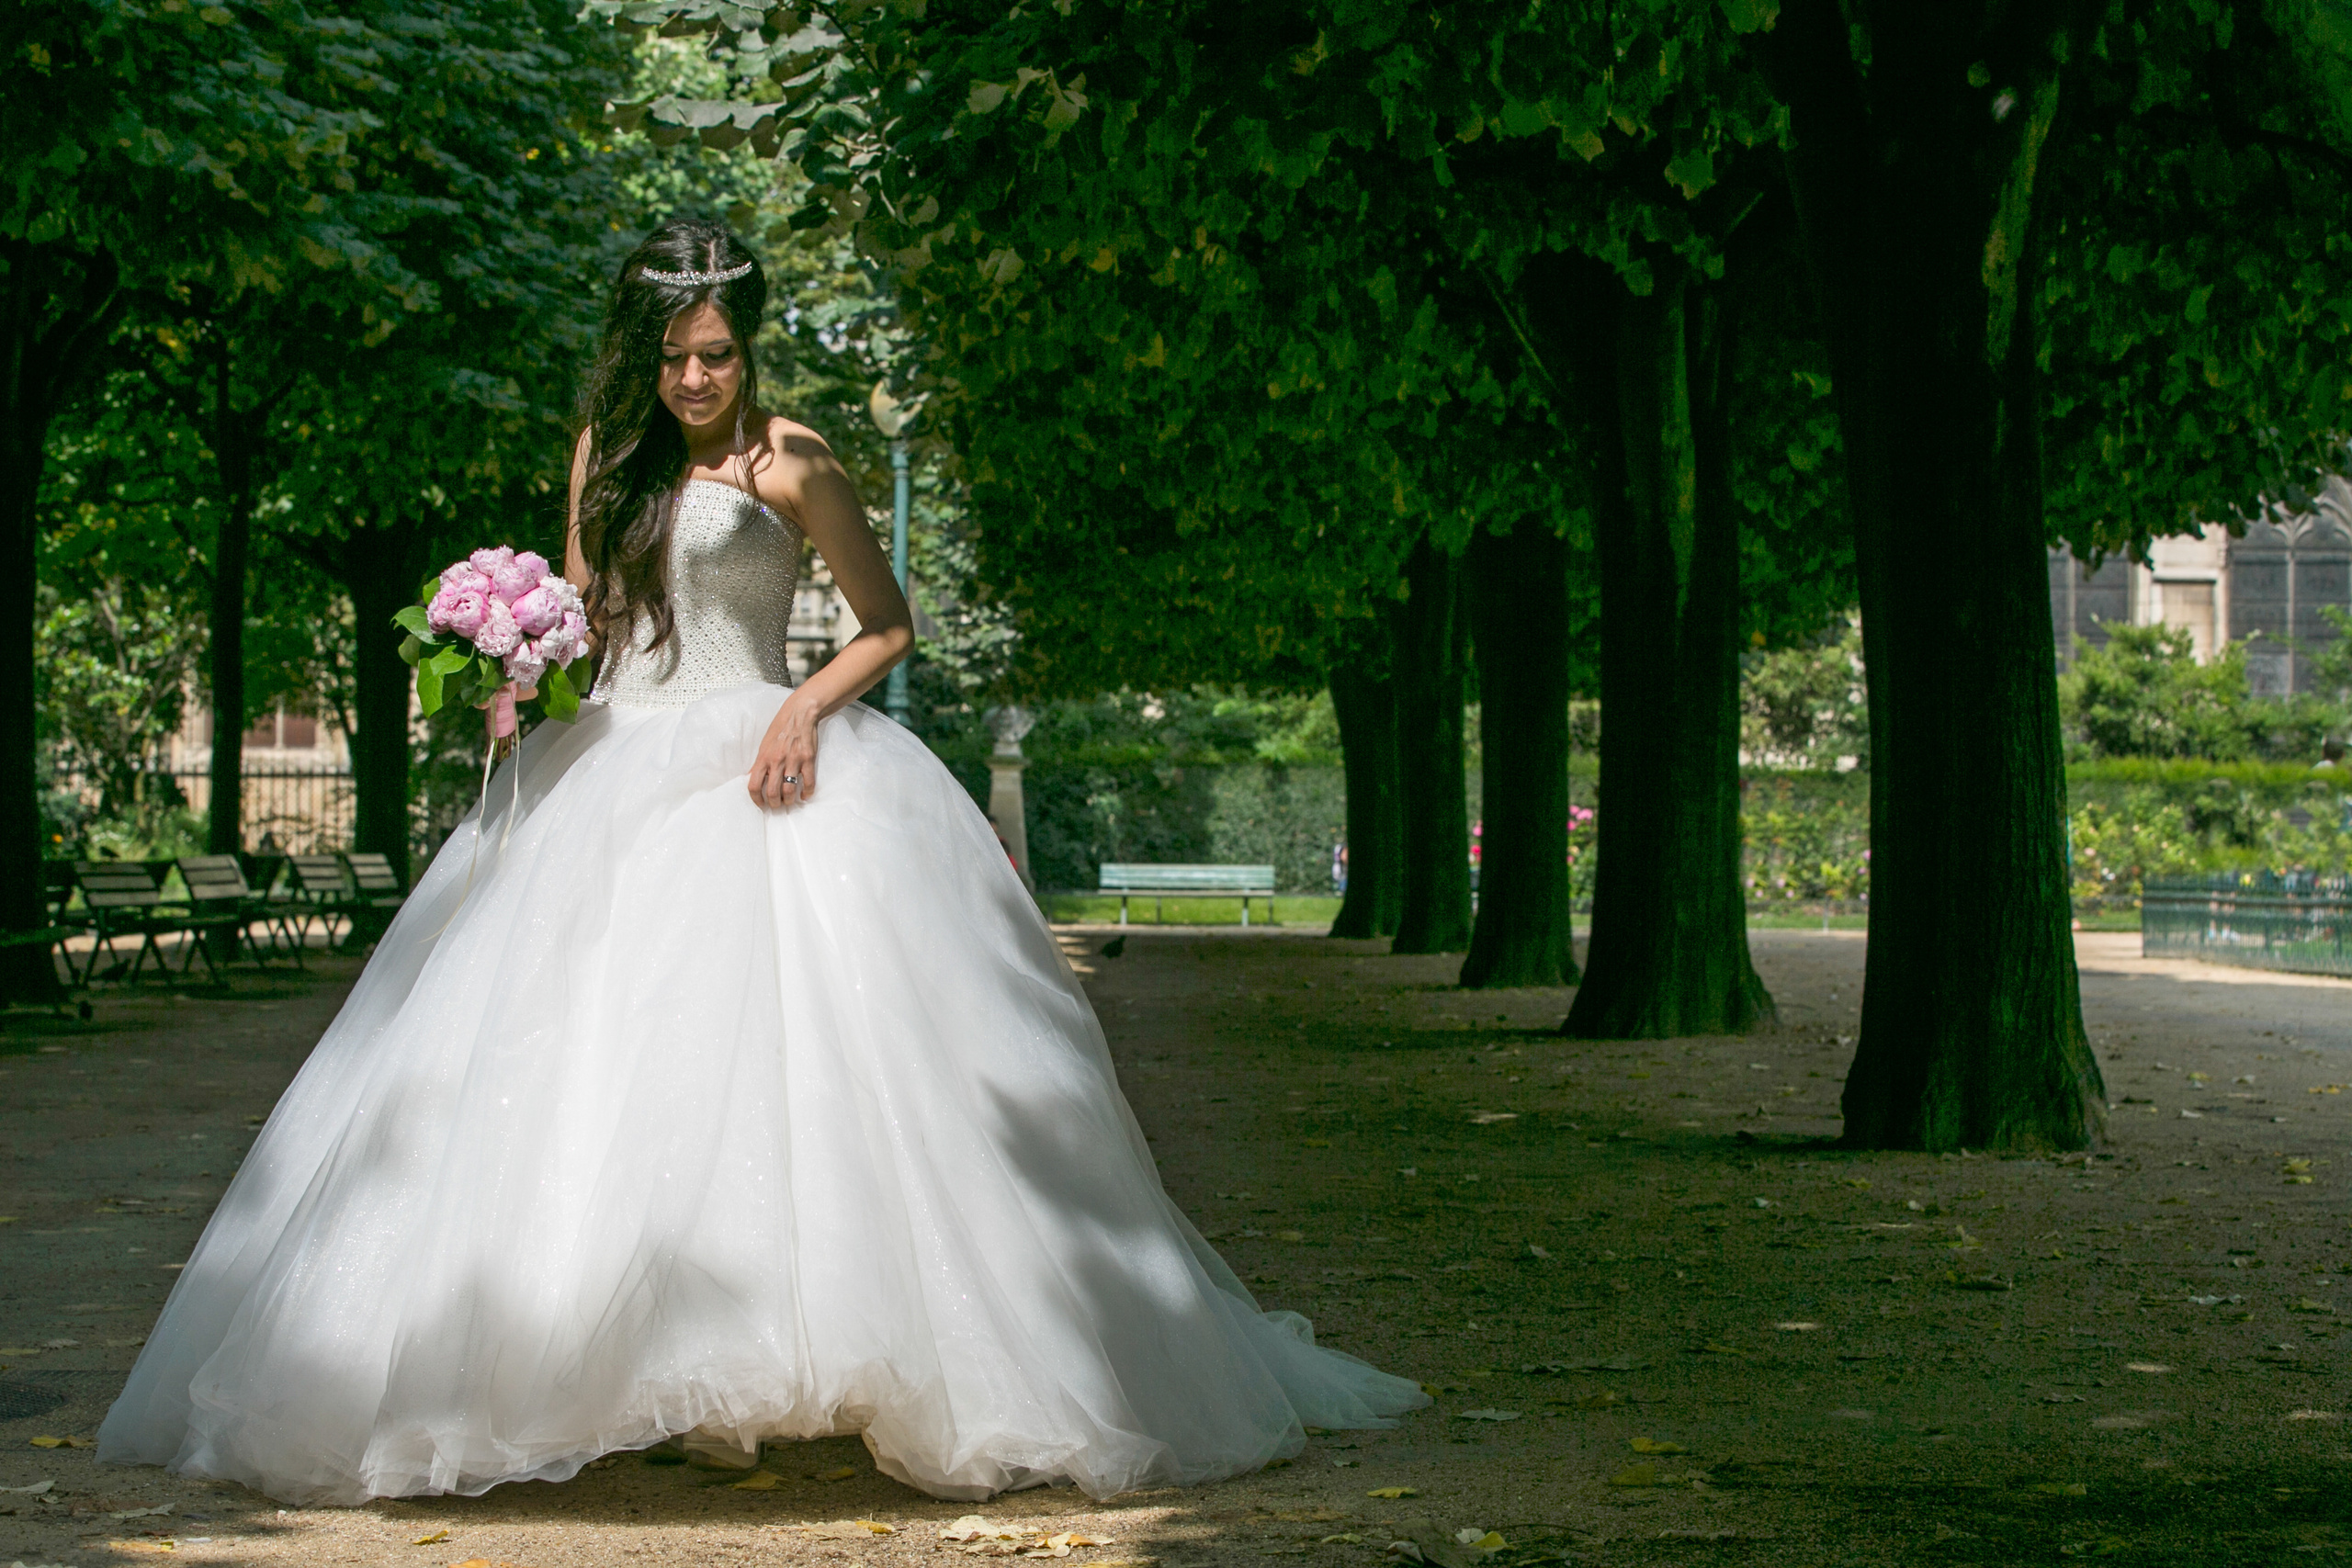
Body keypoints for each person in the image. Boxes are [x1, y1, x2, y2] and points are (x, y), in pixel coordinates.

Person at [96, 221, 1424, 1506]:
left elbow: (885, 623)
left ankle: (763, 1379)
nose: (693, 378)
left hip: (761, 758)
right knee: (584, 1061)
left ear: (752, 347)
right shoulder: (601, 461)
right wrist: (507, 664)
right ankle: (626, 1380)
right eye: (674, 355)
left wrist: (800, 708)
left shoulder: (794, 463)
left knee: (781, 1064)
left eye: (717, 354)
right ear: (643, 352)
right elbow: (586, 628)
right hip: (612, 762)